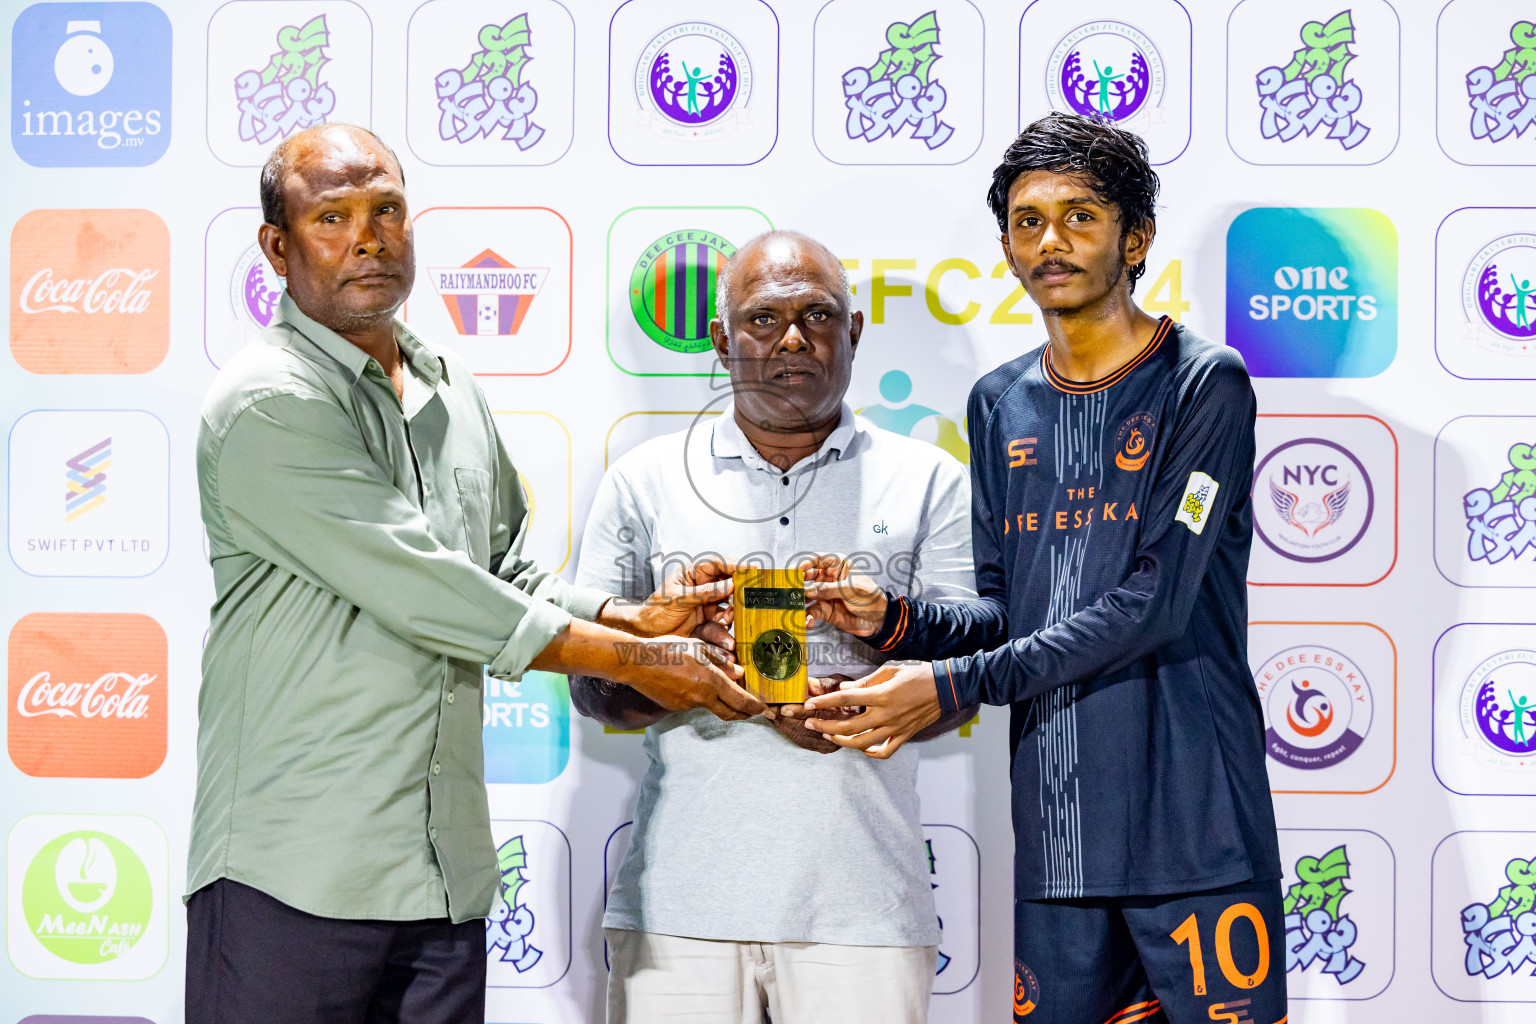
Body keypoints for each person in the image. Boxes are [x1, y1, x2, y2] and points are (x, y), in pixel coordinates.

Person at [185, 123, 763, 1024]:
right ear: (277, 247)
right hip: (291, 871)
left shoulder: (450, 387)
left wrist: (634, 616)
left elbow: (501, 569)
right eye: (332, 217)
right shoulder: (269, 400)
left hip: (442, 877)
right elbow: (427, 588)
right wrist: (632, 662)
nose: (368, 238)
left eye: (387, 210)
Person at [793, 113, 1288, 1024]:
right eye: (1027, 221)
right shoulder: (999, 401)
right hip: (1057, 836)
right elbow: (1002, 609)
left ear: (1134, 238)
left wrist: (950, 688)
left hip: (1195, 829)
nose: (1049, 241)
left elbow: (1155, 601)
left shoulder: (1203, 383)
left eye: (1080, 216)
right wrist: (894, 623)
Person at [572, 231, 979, 1023]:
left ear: (853, 333)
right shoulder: (642, 481)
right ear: (722, 340)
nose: (792, 339)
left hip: (862, 910)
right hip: (677, 910)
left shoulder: (930, 479)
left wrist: (875, 703)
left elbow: (967, 680)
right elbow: (592, 687)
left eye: (818, 315)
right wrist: (671, 674)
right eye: (762, 320)